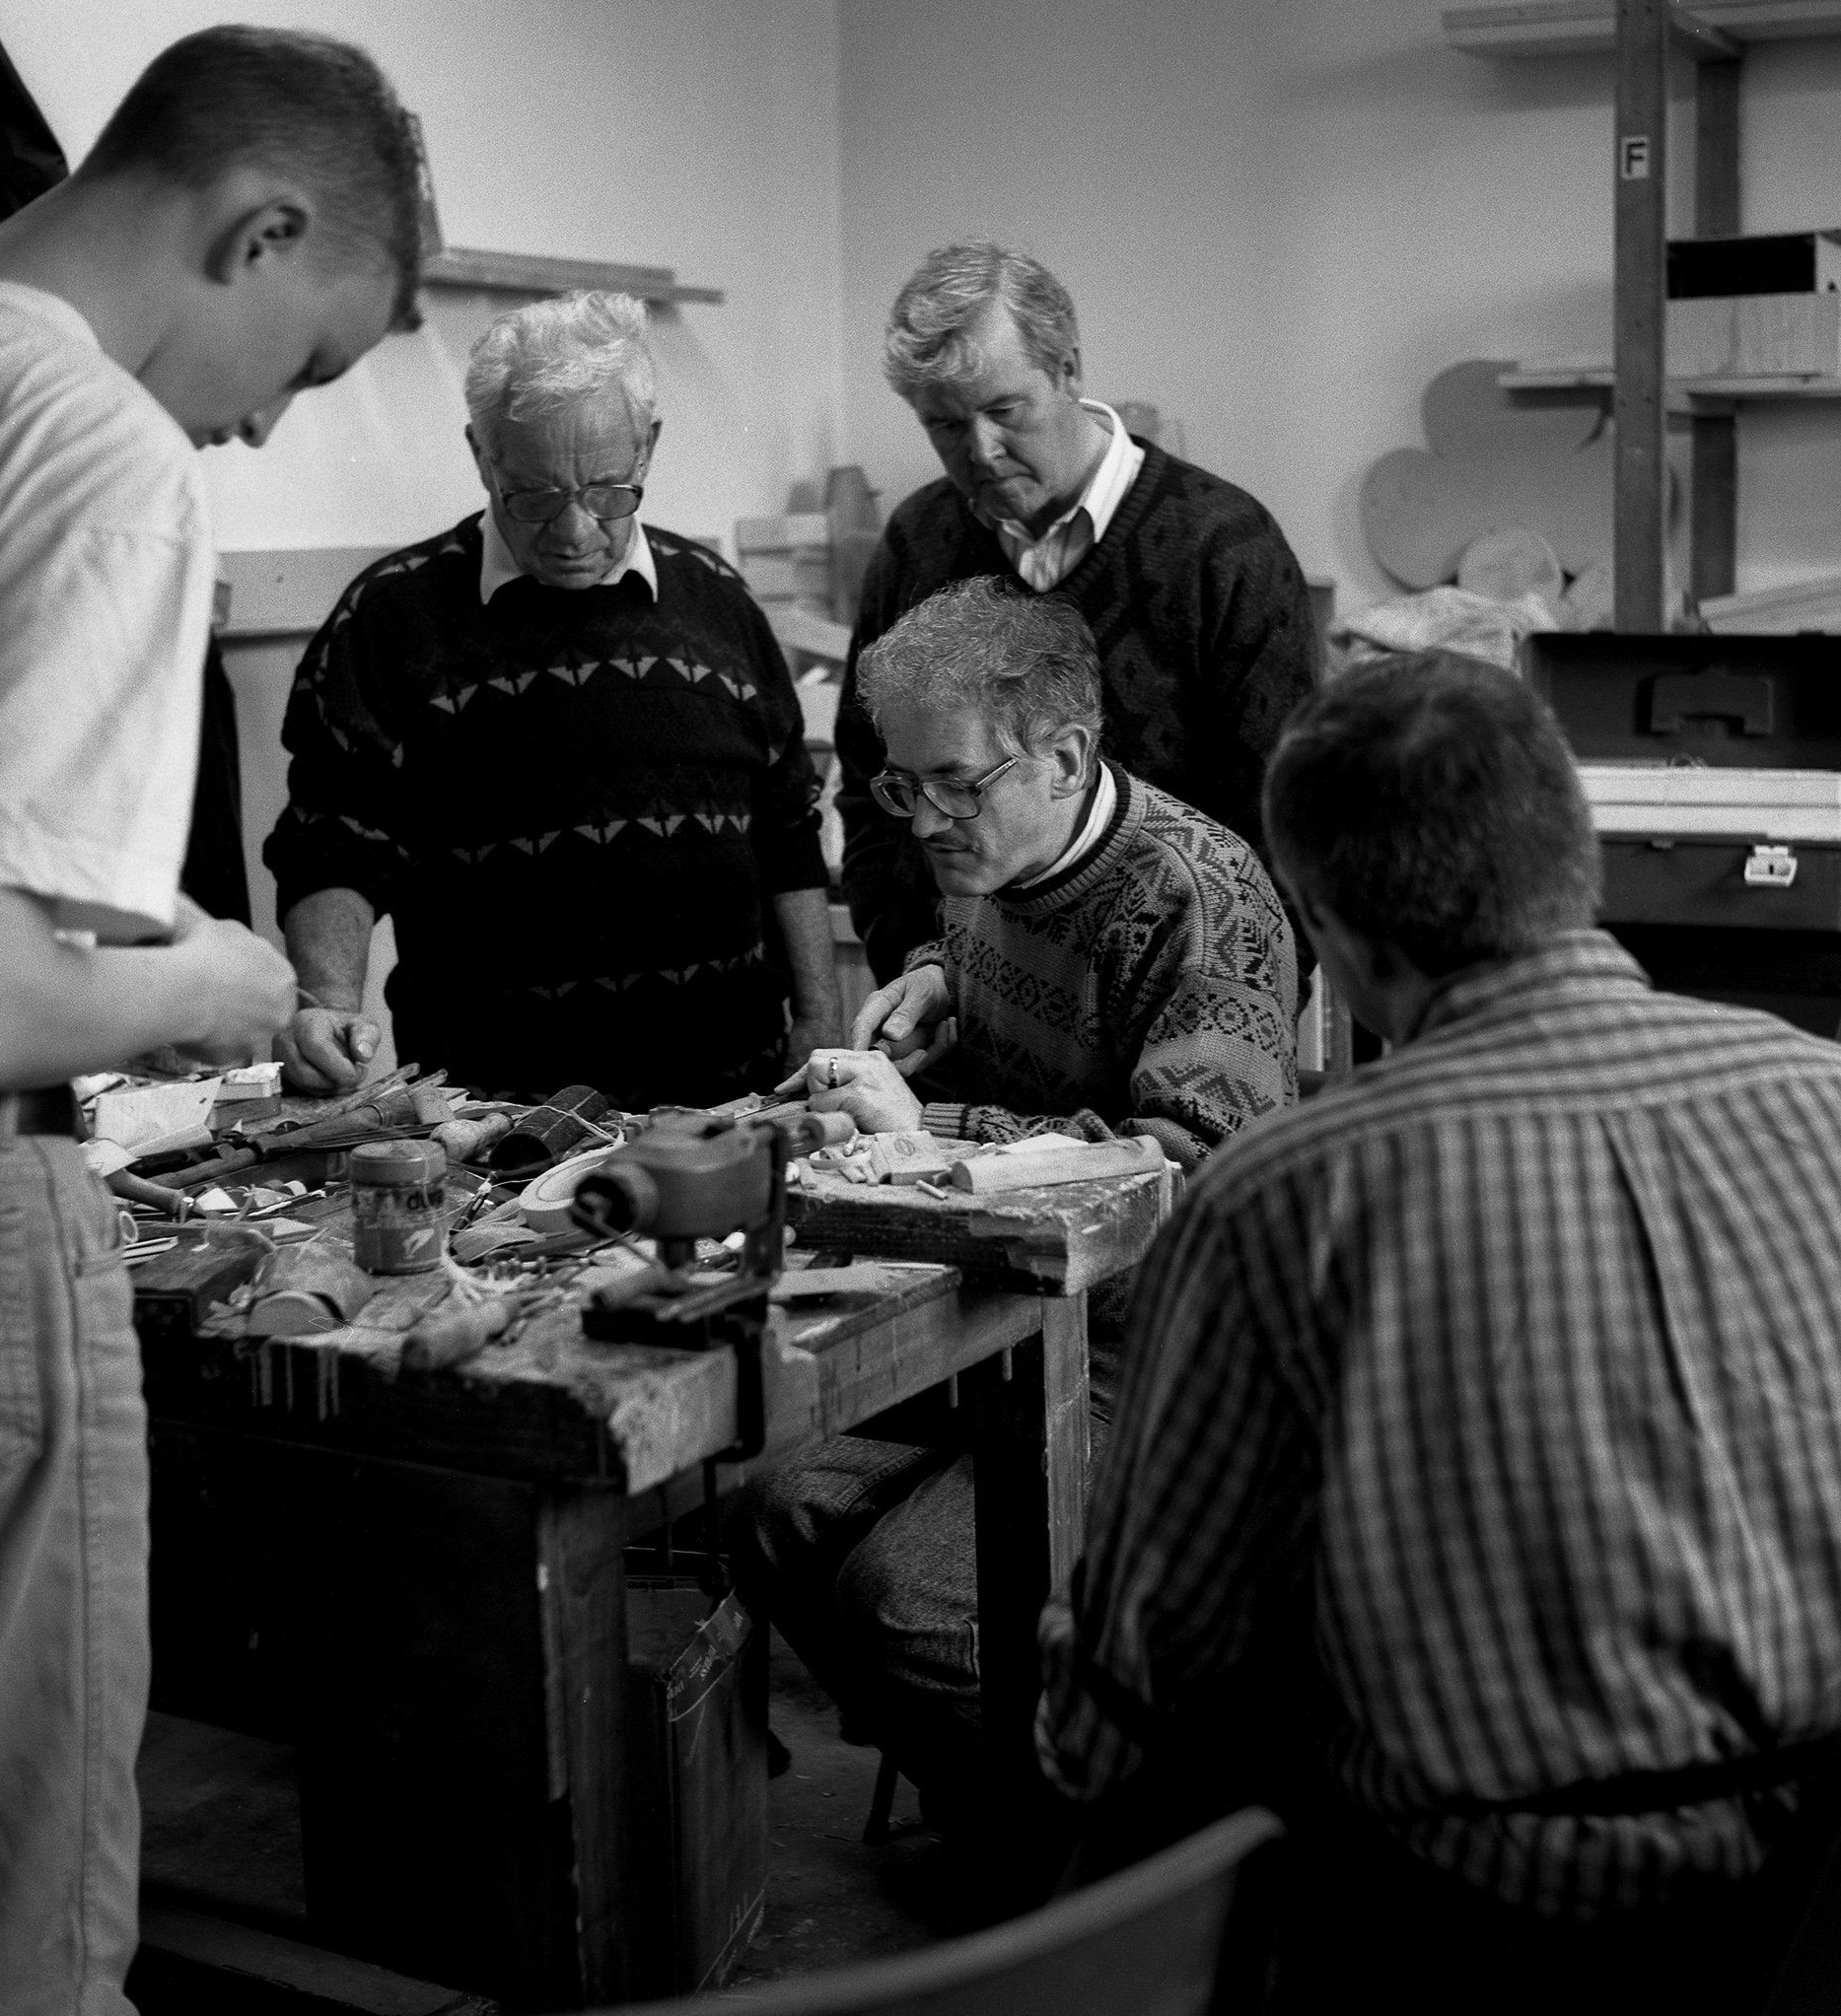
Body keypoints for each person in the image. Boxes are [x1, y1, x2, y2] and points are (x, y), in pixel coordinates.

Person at [1039, 652, 1841, 2016]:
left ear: (1336, 937)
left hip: (1492, 1922)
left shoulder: (1286, 1194)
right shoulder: (1822, 1095)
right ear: (1575, 857)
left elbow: (1130, 1695)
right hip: (1811, 1906)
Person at [0, 26, 419, 2013]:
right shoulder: (91, 440)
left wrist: (134, 938)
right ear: (259, 227)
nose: (266, 430)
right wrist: (224, 980)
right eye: (306, 366)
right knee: (0, 1944)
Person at [740, 578, 1299, 1839]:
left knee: (913, 1604)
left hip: (1159, 1357)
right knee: (771, 1507)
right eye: (901, 784)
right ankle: (992, 1803)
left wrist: (927, 1135)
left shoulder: (1196, 896)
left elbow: (1182, 1177)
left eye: (954, 785)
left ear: (1065, 757)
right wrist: (937, 976)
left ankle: (1099, 1865)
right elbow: (1005, 945)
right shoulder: (988, 844)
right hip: (1010, 1316)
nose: (925, 820)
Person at [264, 289, 840, 1110]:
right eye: (532, 494)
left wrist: (818, 1017)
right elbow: (334, 846)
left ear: (647, 448)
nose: (573, 531)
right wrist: (328, 1008)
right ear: (481, 455)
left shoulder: (720, 604)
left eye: (606, 490)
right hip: (493, 1117)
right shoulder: (389, 620)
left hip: (730, 1104)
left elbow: (786, 831)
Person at [835, 240, 1315, 985]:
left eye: (1003, 410)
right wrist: (917, 971)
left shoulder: (1221, 548)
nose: (982, 450)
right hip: (948, 1002)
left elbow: (1289, 833)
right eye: (946, 426)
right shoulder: (915, 544)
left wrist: (1222, 1004)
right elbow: (871, 790)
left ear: (1068, 370)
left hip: (1172, 1010)